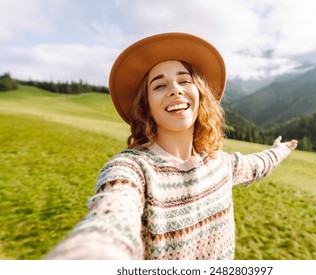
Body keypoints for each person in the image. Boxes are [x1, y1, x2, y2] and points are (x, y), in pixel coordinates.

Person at [45, 32, 298, 260]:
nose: (175, 90)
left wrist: (280, 150)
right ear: (147, 106)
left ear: (199, 93)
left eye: (184, 81)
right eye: (160, 85)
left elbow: (257, 165)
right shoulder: (133, 170)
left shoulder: (219, 163)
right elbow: (112, 218)